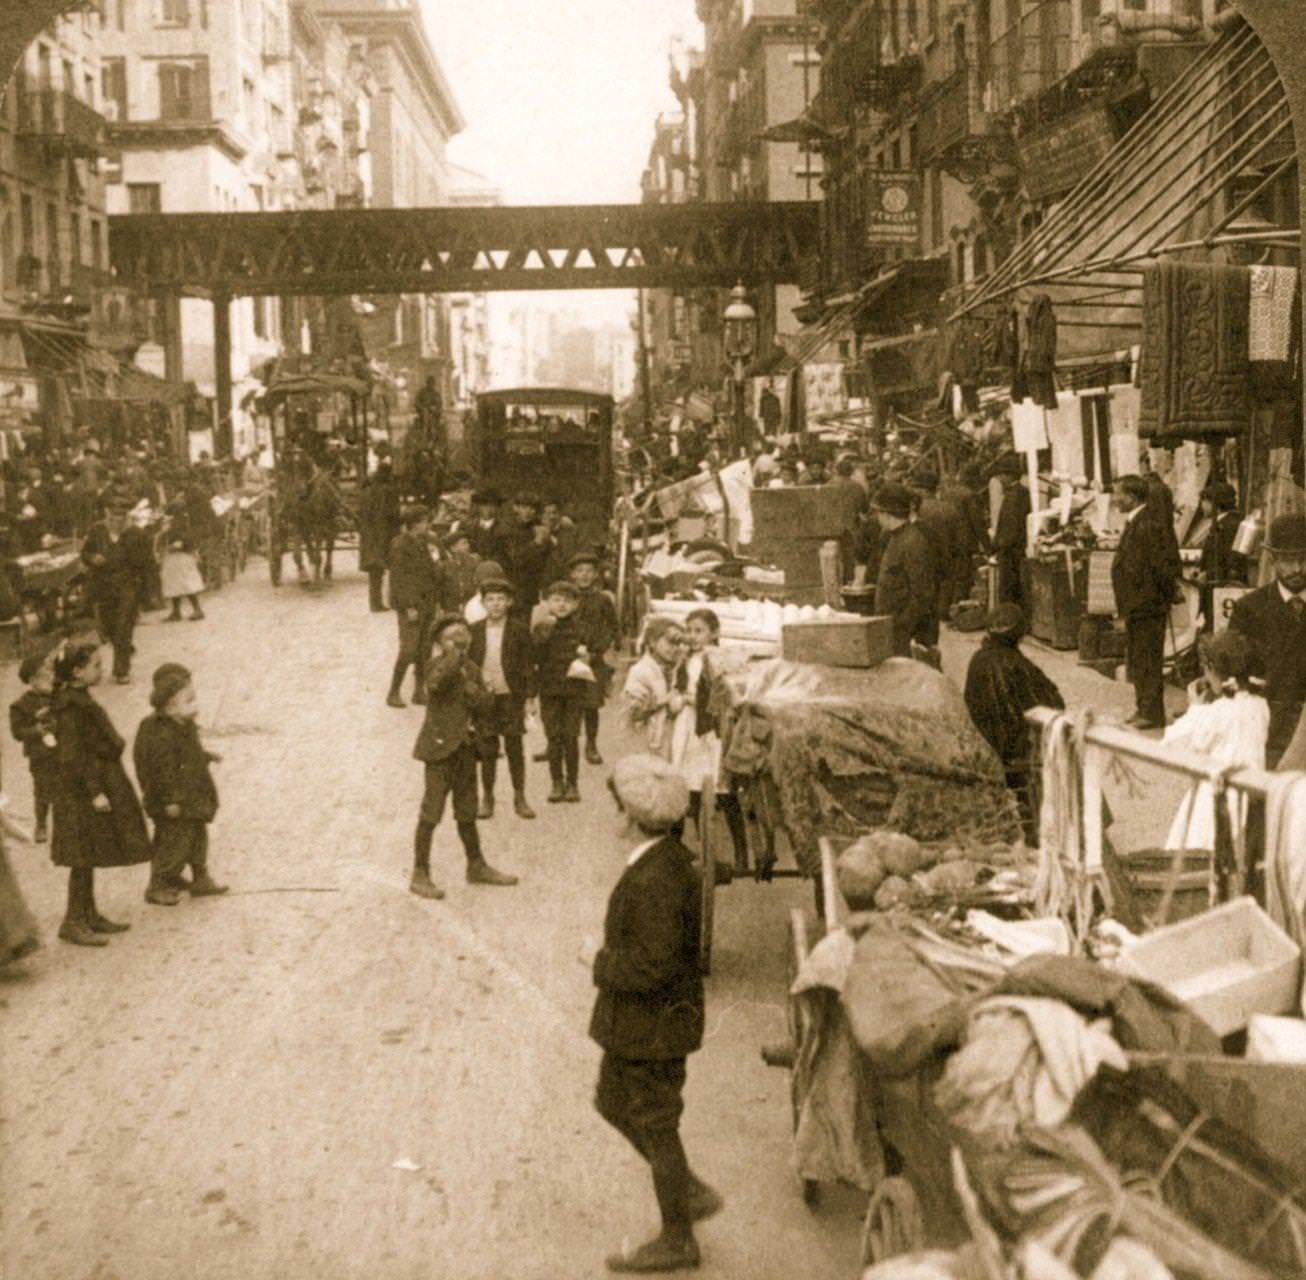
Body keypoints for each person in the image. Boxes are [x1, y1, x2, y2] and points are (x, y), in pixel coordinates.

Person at [590, 753, 719, 1274]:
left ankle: (678, 1236)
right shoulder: (664, 861)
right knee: (612, 1101)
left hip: (654, 1028)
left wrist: (597, 960)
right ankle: (684, 1189)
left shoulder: (654, 880)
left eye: (617, 806)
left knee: (655, 1122)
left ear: (629, 815)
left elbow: (651, 968)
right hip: (646, 1026)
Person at [49, 641, 151, 947]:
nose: (101, 669)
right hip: (82, 790)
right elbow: (72, 756)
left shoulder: (78, 699)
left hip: (93, 782)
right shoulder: (70, 707)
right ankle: (73, 921)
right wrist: (94, 792)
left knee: (90, 851)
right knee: (82, 855)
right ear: (77, 672)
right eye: (95, 665)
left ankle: (88, 913)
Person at [409, 614, 518, 900]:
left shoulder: (472, 668)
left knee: (467, 811)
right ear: (439, 644)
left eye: (463, 635)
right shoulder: (436, 664)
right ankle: (420, 872)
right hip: (440, 750)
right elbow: (436, 683)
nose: (459, 641)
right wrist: (455, 657)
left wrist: (480, 694)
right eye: (451, 637)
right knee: (431, 812)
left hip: (466, 748)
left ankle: (476, 865)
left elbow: (485, 706)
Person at [962, 604, 1065, 844]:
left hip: (985, 741)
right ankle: (1078, 829)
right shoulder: (1015, 665)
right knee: (1068, 745)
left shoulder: (977, 660)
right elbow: (1052, 704)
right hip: (1013, 746)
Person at [1162, 631, 1268, 856]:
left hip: (1216, 796)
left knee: (1200, 853)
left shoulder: (1214, 713)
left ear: (1210, 669)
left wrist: (1195, 709)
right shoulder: (1260, 706)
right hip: (1251, 792)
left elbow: (1171, 744)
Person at [133, 663, 228, 905]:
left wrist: (205, 756)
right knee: (173, 842)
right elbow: (160, 771)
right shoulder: (157, 731)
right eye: (190, 701)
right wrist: (170, 800)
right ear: (171, 707)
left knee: (197, 835)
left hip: (192, 796)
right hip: (173, 801)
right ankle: (159, 884)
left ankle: (200, 876)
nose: (196, 706)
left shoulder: (183, 725)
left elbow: (188, 755)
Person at [671, 609, 749, 876]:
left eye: (699, 631)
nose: (693, 637)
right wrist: (677, 699)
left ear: (714, 633)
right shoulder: (685, 660)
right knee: (690, 789)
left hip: (713, 729)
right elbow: (679, 688)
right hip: (688, 728)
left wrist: (692, 700)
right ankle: (702, 850)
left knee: (723, 790)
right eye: (689, 630)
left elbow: (729, 694)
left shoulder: (720, 660)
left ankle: (742, 853)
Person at [1228, 512, 1306, 767]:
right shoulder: (1249, 609)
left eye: (1304, 559)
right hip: (1268, 731)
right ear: (1272, 560)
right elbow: (1233, 674)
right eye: (1287, 560)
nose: (1297, 569)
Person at [1111, 474, 1181, 730]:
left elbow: (1159, 566)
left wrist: (1161, 597)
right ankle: (1144, 707)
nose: (1114, 499)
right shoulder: (1138, 521)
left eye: (1117, 493)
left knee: (1148, 659)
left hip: (1146, 604)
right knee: (1140, 659)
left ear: (1131, 496)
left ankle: (1151, 713)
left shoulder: (1146, 524)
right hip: (1138, 604)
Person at [468, 578, 537, 821]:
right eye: (490, 600)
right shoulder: (474, 630)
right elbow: (468, 666)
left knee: (514, 747)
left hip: (510, 697)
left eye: (501, 599)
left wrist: (529, 698)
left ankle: (520, 796)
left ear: (509, 602)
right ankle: (487, 797)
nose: (496, 605)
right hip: (485, 699)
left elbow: (529, 666)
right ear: (483, 603)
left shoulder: (519, 630)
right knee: (487, 749)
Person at [532, 580, 594, 804]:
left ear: (576, 605)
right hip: (549, 689)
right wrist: (542, 636)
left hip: (574, 689)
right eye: (556, 600)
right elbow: (534, 657)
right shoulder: (541, 627)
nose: (561, 605)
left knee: (571, 736)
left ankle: (573, 783)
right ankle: (556, 782)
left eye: (567, 601)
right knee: (553, 737)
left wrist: (587, 657)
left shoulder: (582, 628)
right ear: (547, 602)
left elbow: (593, 652)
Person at [82, 500, 155, 684]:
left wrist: (147, 593)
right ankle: (126, 648)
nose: (116, 523)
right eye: (113, 519)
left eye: (121, 519)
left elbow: (147, 563)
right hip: (103, 586)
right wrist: (92, 558)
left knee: (123, 626)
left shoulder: (136, 534)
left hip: (128, 585)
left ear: (127, 518)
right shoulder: (97, 531)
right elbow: (84, 553)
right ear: (107, 517)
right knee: (108, 626)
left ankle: (121, 670)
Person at [872, 482, 939, 659]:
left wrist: (903, 629)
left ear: (887, 514)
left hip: (904, 632)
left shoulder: (912, 543)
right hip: (894, 627)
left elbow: (923, 593)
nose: (877, 517)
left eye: (878, 512)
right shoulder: (896, 537)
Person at [386, 505, 443, 709]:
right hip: (411, 605)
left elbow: (436, 572)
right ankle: (393, 691)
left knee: (424, 649)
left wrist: (437, 561)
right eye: (425, 521)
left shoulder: (430, 543)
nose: (428, 525)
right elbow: (399, 579)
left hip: (427, 603)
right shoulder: (400, 545)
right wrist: (409, 605)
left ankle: (419, 690)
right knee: (409, 649)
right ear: (415, 523)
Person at [570, 551, 619, 766]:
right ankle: (559, 743)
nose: (584, 575)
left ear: (596, 575)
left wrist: (597, 651)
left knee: (590, 704)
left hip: (593, 659)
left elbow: (611, 628)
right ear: (572, 574)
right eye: (579, 571)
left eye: (589, 571)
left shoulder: (602, 600)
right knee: (564, 703)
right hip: (567, 657)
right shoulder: (565, 597)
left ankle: (591, 744)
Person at [10, 638, 60, 844]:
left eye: (52, 673)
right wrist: (36, 730)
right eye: (45, 675)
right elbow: (17, 732)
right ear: (32, 680)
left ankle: (68, 825)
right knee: (43, 791)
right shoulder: (21, 705)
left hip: (62, 750)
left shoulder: (59, 696)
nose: (51, 678)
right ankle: (41, 823)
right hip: (40, 755)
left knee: (68, 787)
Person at [622, 616, 687, 762]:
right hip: (643, 742)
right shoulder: (640, 671)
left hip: (667, 740)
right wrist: (662, 701)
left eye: (678, 644)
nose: (675, 649)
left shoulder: (675, 669)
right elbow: (634, 713)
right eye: (670, 643)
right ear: (652, 641)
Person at [358, 461, 402, 612]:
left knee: (374, 571)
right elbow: (395, 515)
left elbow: (360, 514)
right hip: (386, 535)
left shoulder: (366, 491)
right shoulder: (389, 491)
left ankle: (374, 603)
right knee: (396, 568)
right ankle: (395, 600)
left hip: (369, 536)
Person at [992, 455, 1030, 610]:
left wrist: (998, 545)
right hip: (1016, 548)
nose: (999, 478)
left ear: (1009, 476)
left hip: (1010, 551)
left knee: (1007, 589)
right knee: (1015, 589)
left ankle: (1007, 622)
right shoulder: (1021, 492)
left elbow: (1010, 526)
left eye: (1001, 475)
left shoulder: (1013, 496)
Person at [159, 499, 206, 622]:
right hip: (181, 556)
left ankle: (195, 609)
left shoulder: (178, 523)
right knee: (178, 584)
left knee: (184, 583)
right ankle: (177, 611)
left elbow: (180, 541)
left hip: (179, 556)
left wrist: (169, 547)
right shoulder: (183, 522)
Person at [1196, 481, 1247, 587]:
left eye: (1204, 501)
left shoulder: (1228, 525)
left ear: (1214, 503)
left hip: (1224, 587)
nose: (1201, 505)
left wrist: (1208, 575)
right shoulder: (1223, 523)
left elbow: (1232, 561)